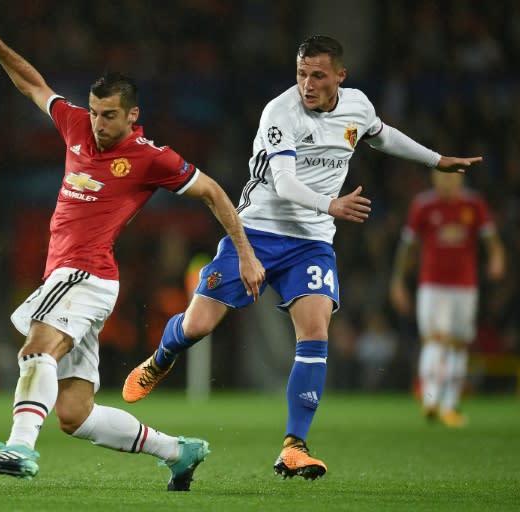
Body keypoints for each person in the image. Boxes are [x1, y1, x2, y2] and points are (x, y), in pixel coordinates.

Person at [122, 35, 483, 480]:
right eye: (301, 74)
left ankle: (294, 445)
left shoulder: (357, 106)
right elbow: (285, 183)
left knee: (315, 333)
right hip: (255, 231)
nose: (307, 84)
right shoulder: (280, 112)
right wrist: (332, 205)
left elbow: (381, 135)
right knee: (197, 327)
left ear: (340, 76)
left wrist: (436, 160)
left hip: (311, 242)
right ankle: (162, 357)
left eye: (317, 75)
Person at [0, 16, 265, 491]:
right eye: (94, 111)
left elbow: (215, 192)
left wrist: (245, 254)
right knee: (74, 413)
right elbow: (33, 85)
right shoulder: (75, 125)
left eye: (109, 114)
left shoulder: (151, 158)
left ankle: (20, 447)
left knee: (36, 347)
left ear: (134, 115)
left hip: (86, 273)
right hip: (70, 278)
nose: (98, 122)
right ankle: (178, 451)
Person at [389, 170, 504, 427]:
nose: (447, 182)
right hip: (432, 285)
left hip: (465, 286)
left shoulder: (473, 204)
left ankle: (450, 405)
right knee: (434, 338)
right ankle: (430, 399)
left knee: (459, 343)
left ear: (460, 180)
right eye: (442, 177)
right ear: (434, 179)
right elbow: (408, 245)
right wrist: (397, 281)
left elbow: (490, 236)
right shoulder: (424, 205)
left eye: (452, 178)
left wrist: (497, 257)